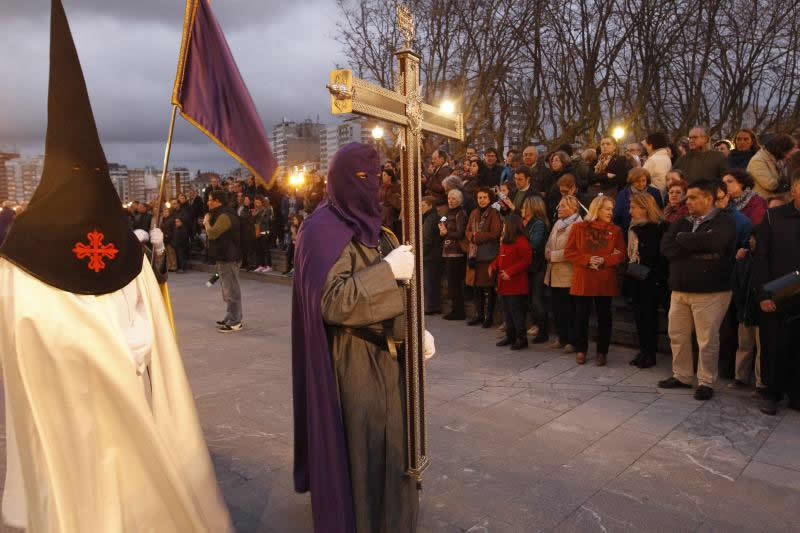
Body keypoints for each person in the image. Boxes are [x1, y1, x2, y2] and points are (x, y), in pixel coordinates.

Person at [0, 2, 233, 529]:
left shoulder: (54, 249)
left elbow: (147, 317)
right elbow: (23, 342)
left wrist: (151, 263)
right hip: (72, 414)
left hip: (123, 403)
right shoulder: (24, 256)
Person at [291, 142, 435, 532]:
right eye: (360, 178)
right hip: (351, 363)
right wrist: (386, 272)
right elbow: (333, 302)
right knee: (363, 454)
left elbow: (403, 293)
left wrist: (414, 328)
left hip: (391, 362)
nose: (369, 186)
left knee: (394, 453)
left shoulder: (382, 231)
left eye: (374, 178)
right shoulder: (320, 230)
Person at [658, 179, 737, 401]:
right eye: (687, 197)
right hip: (680, 289)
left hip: (711, 291)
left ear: (709, 198)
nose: (687, 201)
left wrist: (684, 242)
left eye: (693, 197)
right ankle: (682, 375)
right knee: (678, 335)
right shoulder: (682, 222)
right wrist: (696, 247)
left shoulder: (724, 221)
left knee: (707, 339)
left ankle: (705, 381)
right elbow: (666, 248)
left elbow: (715, 243)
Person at [752, 170, 800, 415]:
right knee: (774, 347)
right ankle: (772, 393)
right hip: (777, 295)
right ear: (794, 188)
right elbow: (761, 259)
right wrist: (763, 295)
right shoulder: (773, 216)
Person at [565, 195, 626, 366]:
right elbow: (569, 252)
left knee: (604, 317)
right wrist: (588, 259)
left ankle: (602, 352)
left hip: (604, 279)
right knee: (581, 316)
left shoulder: (616, 230)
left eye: (612, 209)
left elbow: (621, 254)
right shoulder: (578, 228)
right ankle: (581, 350)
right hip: (583, 277)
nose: (611, 212)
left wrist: (605, 260)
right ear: (597, 209)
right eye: (607, 209)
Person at [626, 193, 669, 368]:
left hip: (653, 280)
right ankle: (643, 350)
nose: (630, 211)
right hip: (637, 278)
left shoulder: (660, 227)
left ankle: (650, 354)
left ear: (645, 208)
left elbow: (660, 256)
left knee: (650, 318)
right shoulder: (632, 228)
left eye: (633, 207)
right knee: (639, 318)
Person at [544, 195, 582, 352]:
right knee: (557, 308)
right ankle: (561, 337)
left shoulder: (577, 225)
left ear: (573, 209)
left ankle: (572, 341)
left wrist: (553, 255)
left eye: (563, 206)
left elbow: (575, 250)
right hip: (554, 272)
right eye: (559, 206)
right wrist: (547, 250)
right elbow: (549, 241)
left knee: (569, 309)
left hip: (568, 273)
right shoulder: (558, 222)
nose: (559, 209)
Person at [490, 214, 532, 350]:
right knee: (507, 312)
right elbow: (501, 258)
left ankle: (521, 338)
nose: (503, 227)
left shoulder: (521, 241)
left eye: (505, 225)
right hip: (504, 283)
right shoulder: (506, 241)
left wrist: (510, 272)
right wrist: (493, 265)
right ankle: (510, 335)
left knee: (516, 313)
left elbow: (526, 260)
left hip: (516, 283)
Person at [204, 189, 243, 332]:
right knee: (227, 290)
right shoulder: (221, 213)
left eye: (210, 199)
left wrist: (206, 222)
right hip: (225, 257)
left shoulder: (225, 215)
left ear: (217, 201)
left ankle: (235, 321)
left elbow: (213, 233)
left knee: (232, 290)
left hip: (229, 258)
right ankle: (230, 317)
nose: (208, 202)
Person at [465, 187, 502, 327]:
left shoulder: (494, 212)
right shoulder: (474, 212)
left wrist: (477, 237)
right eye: (479, 197)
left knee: (489, 288)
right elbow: (467, 230)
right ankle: (479, 315)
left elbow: (495, 233)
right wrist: (471, 237)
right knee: (476, 288)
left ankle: (489, 317)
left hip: (488, 254)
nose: (481, 200)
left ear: (490, 198)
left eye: (484, 197)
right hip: (475, 254)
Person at [521, 195, 550, 343]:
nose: (522, 209)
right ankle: (538, 327)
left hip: (537, 267)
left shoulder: (537, 224)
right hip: (530, 266)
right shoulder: (528, 223)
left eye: (525, 206)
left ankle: (543, 331)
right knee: (532, 300)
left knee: (537, 300)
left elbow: (534, 245)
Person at [439, 188, 468, 320]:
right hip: (447, 250)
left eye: (454, 198)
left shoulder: (461, 213)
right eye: (449, 198)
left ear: (460, 200)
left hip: (456, 252)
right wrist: (441, 230)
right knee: (451, 283)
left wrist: (447, 233)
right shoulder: (447, 212)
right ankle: (455, 309)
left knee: (455, 283)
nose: (450, 201)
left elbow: (460, 233)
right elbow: (441, 222)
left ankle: (459, 311)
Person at [612, 167, 664, 235]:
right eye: (637, 181)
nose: (641, 184)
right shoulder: (623, 194)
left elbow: (659, 211)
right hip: (627, 230)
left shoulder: (654, 192)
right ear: (631, 181)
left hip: (650, 230)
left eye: (643, 181)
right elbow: (617, 215)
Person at [748, 133, 797, 198]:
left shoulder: (776, 159)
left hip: (776, 199)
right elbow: (771, 185)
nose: (788, 157)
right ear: (781, 150)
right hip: (763, 202)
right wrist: (791, 186)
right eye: (788, 153)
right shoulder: (758, 161)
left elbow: (783, 178)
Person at [422, 195, 444, 315]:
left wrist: (421, 253)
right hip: (435, 254)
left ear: (430, 205)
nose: (421, 208)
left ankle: (430, 307)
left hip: (430, 255)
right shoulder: (436, 217)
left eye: (423, 205)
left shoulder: (430, 219)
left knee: (430, 282)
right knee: (433, 282)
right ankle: (434, 306)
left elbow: (427, 239)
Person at [642, 131, 672, 196]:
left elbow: (641, 178)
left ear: (650, 145)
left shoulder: (653, 160)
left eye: (646, 145)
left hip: (652, 196)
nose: (646, 148)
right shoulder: (666, 158)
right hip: (663, 194)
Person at [251, 195, 274, 273]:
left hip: (265, 232)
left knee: (265, 250)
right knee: (259, 250)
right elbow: (253, 221)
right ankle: (261, 265)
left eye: (258, 202)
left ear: (262, 202)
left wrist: (257, 214)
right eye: (255, 202)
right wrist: (253, 216)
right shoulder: (255, 210)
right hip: (258, 232)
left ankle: (269, 266)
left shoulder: (266, 210)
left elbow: (266, 221)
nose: (257, 204)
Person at [380, 167, 402, 238]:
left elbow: (396, 199)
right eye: (382, 175)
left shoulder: (397, 185)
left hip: (392, 210)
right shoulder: (382, 186)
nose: (383, 177)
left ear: (390, 176)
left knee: (387, 211)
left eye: (385, 175)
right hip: (383, 208)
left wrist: (384, 204)